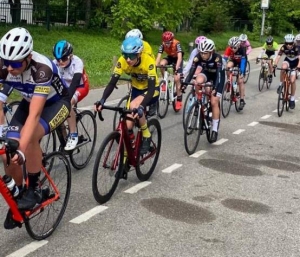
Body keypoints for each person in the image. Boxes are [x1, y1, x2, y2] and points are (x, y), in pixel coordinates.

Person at [0, 27, 71, 228]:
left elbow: (35, 114)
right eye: (6, 62)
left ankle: (34, 188)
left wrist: (22, 149)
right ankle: (20, 194)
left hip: (56, 104)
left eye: (15, 63)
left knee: (28, 139)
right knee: (7, 150)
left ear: (28, 57)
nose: (10, 68)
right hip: (27, 100)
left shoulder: (42, 68)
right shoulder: (4, 65)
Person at [94, 37, 159, 155]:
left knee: (135, 105)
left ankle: (146, 135)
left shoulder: (148, 61)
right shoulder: (122, 60)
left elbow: (150, 90)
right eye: (125, 55)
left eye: (132, 56)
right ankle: (128, 156)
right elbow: (112, 83)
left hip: (151, 90)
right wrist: (102, 100)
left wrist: (141, 106)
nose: (128, 59)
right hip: (136, 90)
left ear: (139, 53)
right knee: (127, 125)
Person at [184, 39, 225, 142]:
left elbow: (218, 76)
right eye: (201, 52)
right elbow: (191, 72)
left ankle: (214, 130)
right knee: (197, 81)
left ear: (211, 52)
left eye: (205, 53)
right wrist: (185, 84)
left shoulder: (217, 58)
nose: (202, 55)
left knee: (214, 101)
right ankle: (199, 102)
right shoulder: (198, 57)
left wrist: (215, 88)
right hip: (206, 72)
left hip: (218, 75)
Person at [53, 40, 90, 151]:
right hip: (65, 88)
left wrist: (66, 99)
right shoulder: (55, 63)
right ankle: (64, 138)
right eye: (58, 59)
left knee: (67, 104)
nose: (60, 62)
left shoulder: (77, 62)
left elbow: (75, 81)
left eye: (64, 59)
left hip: (80, 87)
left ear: (71, 56)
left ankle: (73, 134)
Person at [155, 31, 184, 111]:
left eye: (169, 42)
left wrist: (176, 69)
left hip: (177, 59)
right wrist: (154, 67)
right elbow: (158, 56)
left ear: (172, 40)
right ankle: (165, 80)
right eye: (165, 42)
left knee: (177, 78)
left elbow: (180, 58)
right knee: (161, 64)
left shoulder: (177, 44)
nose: (167, 44)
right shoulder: (162, 45)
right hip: (170, 57)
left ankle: (179, 98)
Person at [273, 34, 300, 109]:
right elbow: (278, 56)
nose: (288, 45)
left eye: (290, 43)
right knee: (283, 68)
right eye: (287, 43)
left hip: (295, 63)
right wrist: (275, 64)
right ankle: (280, 84)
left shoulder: (296, 48)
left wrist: (298, 67)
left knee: (292, 81)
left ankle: (292, 99)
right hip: (288, 61)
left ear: (293, 42)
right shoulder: (283, 47)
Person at [223, 36, 247, 110]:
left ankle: (242, 100)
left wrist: (241, 71)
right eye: (231, 47)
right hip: (233, 61)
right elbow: (224, 59)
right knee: (228, 67)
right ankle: (229, 81)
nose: (233, 49)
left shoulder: (242, 50)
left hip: (241, 63)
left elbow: (243, 62)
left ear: (239, 45)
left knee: (240, 80)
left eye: (235, 47)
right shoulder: (229, 49)